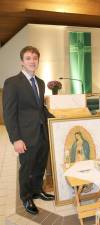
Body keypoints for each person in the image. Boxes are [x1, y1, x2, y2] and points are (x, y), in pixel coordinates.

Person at [2, 46, 55, 215]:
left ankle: (37, 191)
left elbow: (40, 108)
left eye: (35, 58)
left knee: (40, 165)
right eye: (28, 58)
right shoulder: (12, 82)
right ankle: (26, 197)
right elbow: (9, 114)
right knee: (27, 168)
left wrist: (56, 119)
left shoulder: (40, 82)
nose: (32, 61)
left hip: (42, 133)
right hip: (25, 136)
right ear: (22, 61)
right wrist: (15, 139)